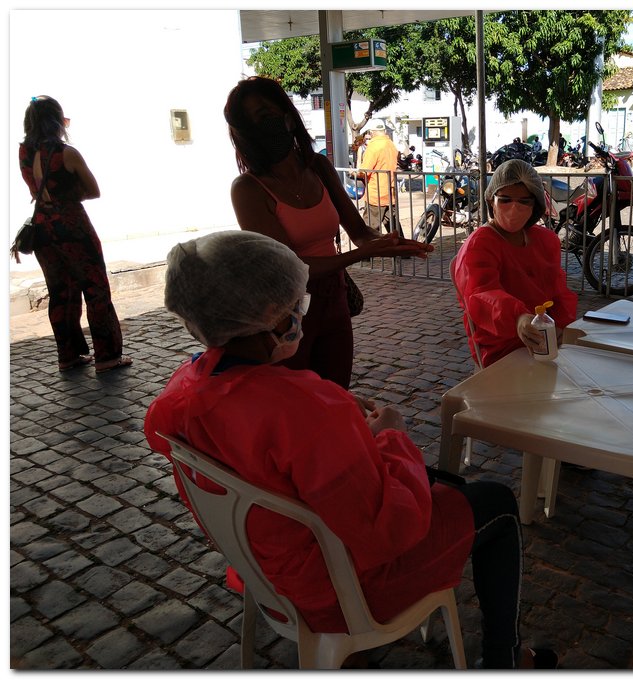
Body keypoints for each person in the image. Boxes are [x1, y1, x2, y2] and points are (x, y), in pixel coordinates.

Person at [144, 230, 557, 669]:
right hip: (338, 586)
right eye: (296, 305)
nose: (302, 312)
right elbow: (390, 532)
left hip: (263, 571)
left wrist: (344, 425)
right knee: (496, 501)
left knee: (450, 486)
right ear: (269, 314)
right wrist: (392, 434)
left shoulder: (182, 391)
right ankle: (506, 658)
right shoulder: (309, 407)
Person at [224, 76, 430, 389]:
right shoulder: (249, 190)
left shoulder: (318, 167)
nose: (260, 129)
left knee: (336, 395)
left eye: (265, 116)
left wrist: (390, 242)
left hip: (334, 301)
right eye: (249, 124)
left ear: (288, 117)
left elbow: (360, 232)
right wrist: (365, 252)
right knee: (300, 402)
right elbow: (289, 267)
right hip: (288, 313)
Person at [18, 96, 132, 375]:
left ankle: (67, 356)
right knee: (95, 289)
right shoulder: (66, 153)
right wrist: (67, 198)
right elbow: (93, 190)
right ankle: (106, 357)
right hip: (71, 225)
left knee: (61, 292)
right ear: (57, 120)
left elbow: (34, 190)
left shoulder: (24, 153)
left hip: (42, 226)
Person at [452, 159, 579, 368]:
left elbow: (558, 290)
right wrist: (518, 318)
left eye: (524, 201)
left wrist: (562, 325)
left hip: (546, 339)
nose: (514, 208)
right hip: (500, 345)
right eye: (505, 199)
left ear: (535, 205)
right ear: (491, 200)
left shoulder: (545, 240)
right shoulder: (479, 244)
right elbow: (481, 294)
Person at [358, 121, 401, 236]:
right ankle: (404, 252)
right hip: (390, 193)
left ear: (372, 132)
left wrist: (354, 174)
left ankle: (374, 254)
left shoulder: (373, 147)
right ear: (384, 131)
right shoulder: (391, 145)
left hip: (376, 195)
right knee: (395, 229)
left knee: (370, 231)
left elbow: (364, 171)